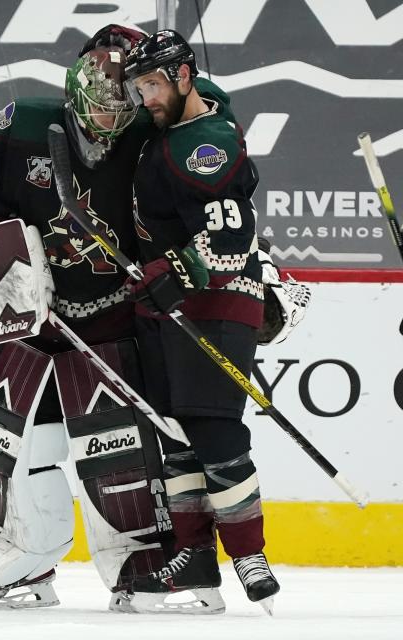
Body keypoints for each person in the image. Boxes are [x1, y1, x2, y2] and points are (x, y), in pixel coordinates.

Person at [0, 25, 180, 611]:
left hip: (114, 319)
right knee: (4, 442)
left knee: (118, 453)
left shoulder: (152, 131)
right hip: (30, 317)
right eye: (98, 108)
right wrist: (18, 267)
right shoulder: (20, 125)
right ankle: (23, 556)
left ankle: (137, 561)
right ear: (75, 91)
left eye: (122, 107)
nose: (109, 121)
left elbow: (204, 177)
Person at [121, 30, 280, 614]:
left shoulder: (203, 143)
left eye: (155, 84)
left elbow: (232, 242)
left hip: (213, 302)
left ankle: (249, 557)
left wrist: (171, 270)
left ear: (185, 77)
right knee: (177, 437)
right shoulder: (178, 122)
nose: (147, 98)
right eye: (140, 87)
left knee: (213, 432)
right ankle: (196, 559)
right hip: (169, 305)